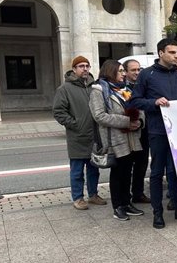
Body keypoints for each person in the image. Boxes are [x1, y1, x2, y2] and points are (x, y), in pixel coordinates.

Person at [129, 39, 177, 229]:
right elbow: (135, 101)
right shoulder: (146, 75)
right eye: (172, 52)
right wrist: (153, 103)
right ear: (161, 53)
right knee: (157, 172)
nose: (176, 56)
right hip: (158, 131)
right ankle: (157, 213)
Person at [89, 60, 145, 221]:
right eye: (120, 71)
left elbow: (138, 108)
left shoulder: (126, 89)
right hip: (115, 139)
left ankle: (127, 203)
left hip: (131, 138)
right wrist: (127, 122)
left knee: (128, 171)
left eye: (123, 71)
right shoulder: (98, 91)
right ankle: (118, 206)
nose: (123, 73)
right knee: (118, 173)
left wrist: (140, 122)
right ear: (110, 72)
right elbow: (99, 116)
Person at [53, 55, 107, 210]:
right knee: (77, 171)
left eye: (87, 66)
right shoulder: (65, 89)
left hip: (94, 136)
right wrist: (75, 124)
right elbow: (58, 111)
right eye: (81, 66)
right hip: (77, 136)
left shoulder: (95, 87)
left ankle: (93, 195)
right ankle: (78, 198)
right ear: (74, 69)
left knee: (93, 169)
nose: (85, 69)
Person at [123, 59, 151, 204]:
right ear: (126, 72)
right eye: (133, 70)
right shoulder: (122, 89)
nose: (137, 72)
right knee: (127, 165)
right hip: (129, 131)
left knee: (142, 163)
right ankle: (125, 195)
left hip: (144, 130)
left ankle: (138, 193)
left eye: (138, 69)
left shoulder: (144, 86)